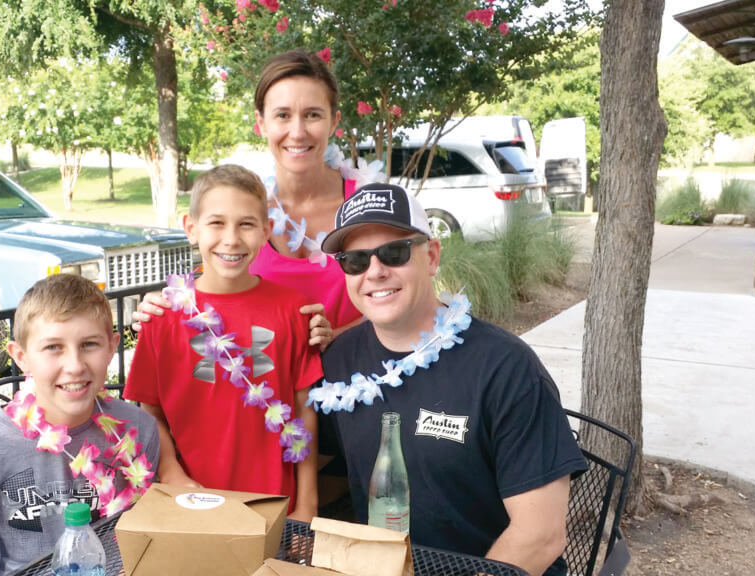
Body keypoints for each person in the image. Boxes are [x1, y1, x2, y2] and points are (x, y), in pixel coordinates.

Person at [314, 182, 587, 576]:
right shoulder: (340, 362)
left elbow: (540, 534)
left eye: (395, 252)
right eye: (355, 260)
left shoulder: (505, 368)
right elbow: (327, 474)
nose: (374, 271)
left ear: (432, 256)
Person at [133, 50, 378, 349]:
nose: (297, 132)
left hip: (359, 378)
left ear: (333, 121)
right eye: (283, 115)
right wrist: (167, 304)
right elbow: (216, 284)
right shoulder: (243, 205)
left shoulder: (369, 204)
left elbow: (406, 297)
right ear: (261, 123)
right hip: (261, 385)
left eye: (312, 114)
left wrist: (336, 339)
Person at [124, 164, 322, 521]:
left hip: (275, 505)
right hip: (192, 502)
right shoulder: (164, 315)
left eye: (246, 224)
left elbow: (304, 409)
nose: (231, 238)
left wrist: (307, 504)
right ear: (191, 229)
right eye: (216, 223)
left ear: (266, 232)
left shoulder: (292, 309)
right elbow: (148, 411)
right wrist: (173, 473)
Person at [0, 274, 161, 576]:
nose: (75, 365)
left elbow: (153, 543)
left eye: (89, 344)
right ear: (21, 357)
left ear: (111, 347)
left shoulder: (139, 431)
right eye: (53, 347)